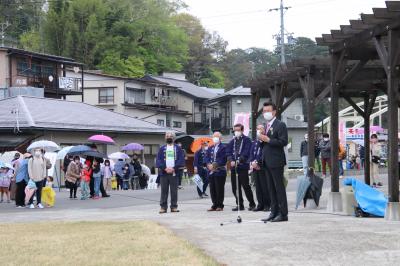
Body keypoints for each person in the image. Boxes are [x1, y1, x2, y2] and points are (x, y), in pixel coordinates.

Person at [259, 102, 289, 222]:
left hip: (276, 160)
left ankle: (283, 214)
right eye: (264, 111)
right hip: (266, 160)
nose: (266, 113)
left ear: (274, 112)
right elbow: (265, 144)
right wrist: (261, 139)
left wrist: (268, 140)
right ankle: (274, 211)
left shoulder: (280, 124)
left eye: (268, 110)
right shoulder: (265, 126)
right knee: (270, 188)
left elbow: (283, 141)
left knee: (279, 188)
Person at [226, 123, 255, 211]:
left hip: (242, 166)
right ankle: (239, 204)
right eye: (235, 130)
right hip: (233, 167)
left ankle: (252, 203)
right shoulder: (232, 141)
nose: (236, 132)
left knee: (245, 186)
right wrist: (231, 160)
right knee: (235, 187)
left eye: (238, 130)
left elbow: (246, 152)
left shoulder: (247, 140)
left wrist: (239, 160)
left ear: (242, 130)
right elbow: (228, 151)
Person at [156, 131, 185, 214]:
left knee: (174, 191)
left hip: (174, 172)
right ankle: (163, 207)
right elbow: (158, 160)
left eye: (171, 136)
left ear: (173, 138)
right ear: (165, 138)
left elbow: (181, 160)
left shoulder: (178, 148)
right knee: (164, 191)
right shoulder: (162, 148)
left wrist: (173, 168)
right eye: (167, 136)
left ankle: (174, 207)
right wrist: (165, 168)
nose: (169, 137)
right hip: (164, 173)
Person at [250, 124, 270, 212]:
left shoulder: (265, 141)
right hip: (254, 167)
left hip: (262, 167)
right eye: (257, 128)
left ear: (264, 130)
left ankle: (267, 205)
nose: (258, 130)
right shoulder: (254, 142)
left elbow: (263, 154)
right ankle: (260, 204)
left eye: (260, 129)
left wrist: (258, 162)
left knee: (264, 186)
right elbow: (251, 154)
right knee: (257, 187)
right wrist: (252, 162)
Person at [206, 131, 227, 212]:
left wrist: (215, 165)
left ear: (220, 138)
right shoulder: (210, 147)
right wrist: (208, 164)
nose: (215, 138)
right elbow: (206, 157)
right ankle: (214, 204)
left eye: (217, 137)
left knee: (219, 189)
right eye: (214, 136)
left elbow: (223, 159)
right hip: (211, 171)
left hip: (220, 171)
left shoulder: (223, 147)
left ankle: (220, 205)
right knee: (212, 189)